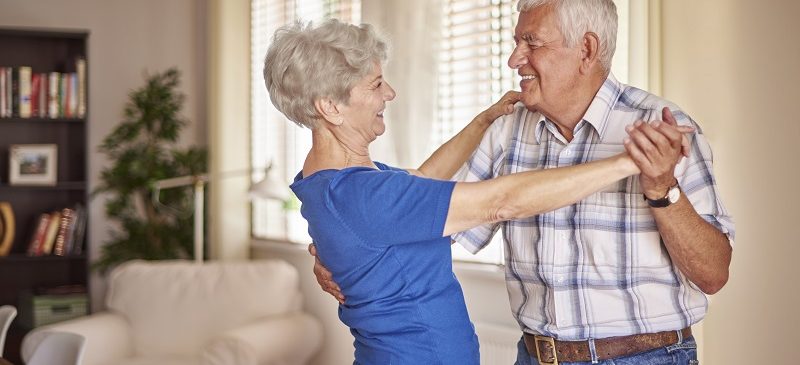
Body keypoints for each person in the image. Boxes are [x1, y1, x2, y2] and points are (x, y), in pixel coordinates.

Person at [311, 1, 735, 364]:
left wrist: (662, 191)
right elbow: (417, 213)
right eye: (516, 42)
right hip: (534, 354)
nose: (514, 59)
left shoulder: (664, 130)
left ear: (586, 49)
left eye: (532, 42)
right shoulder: (507, 132)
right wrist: (341, 250)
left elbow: (713, 274)